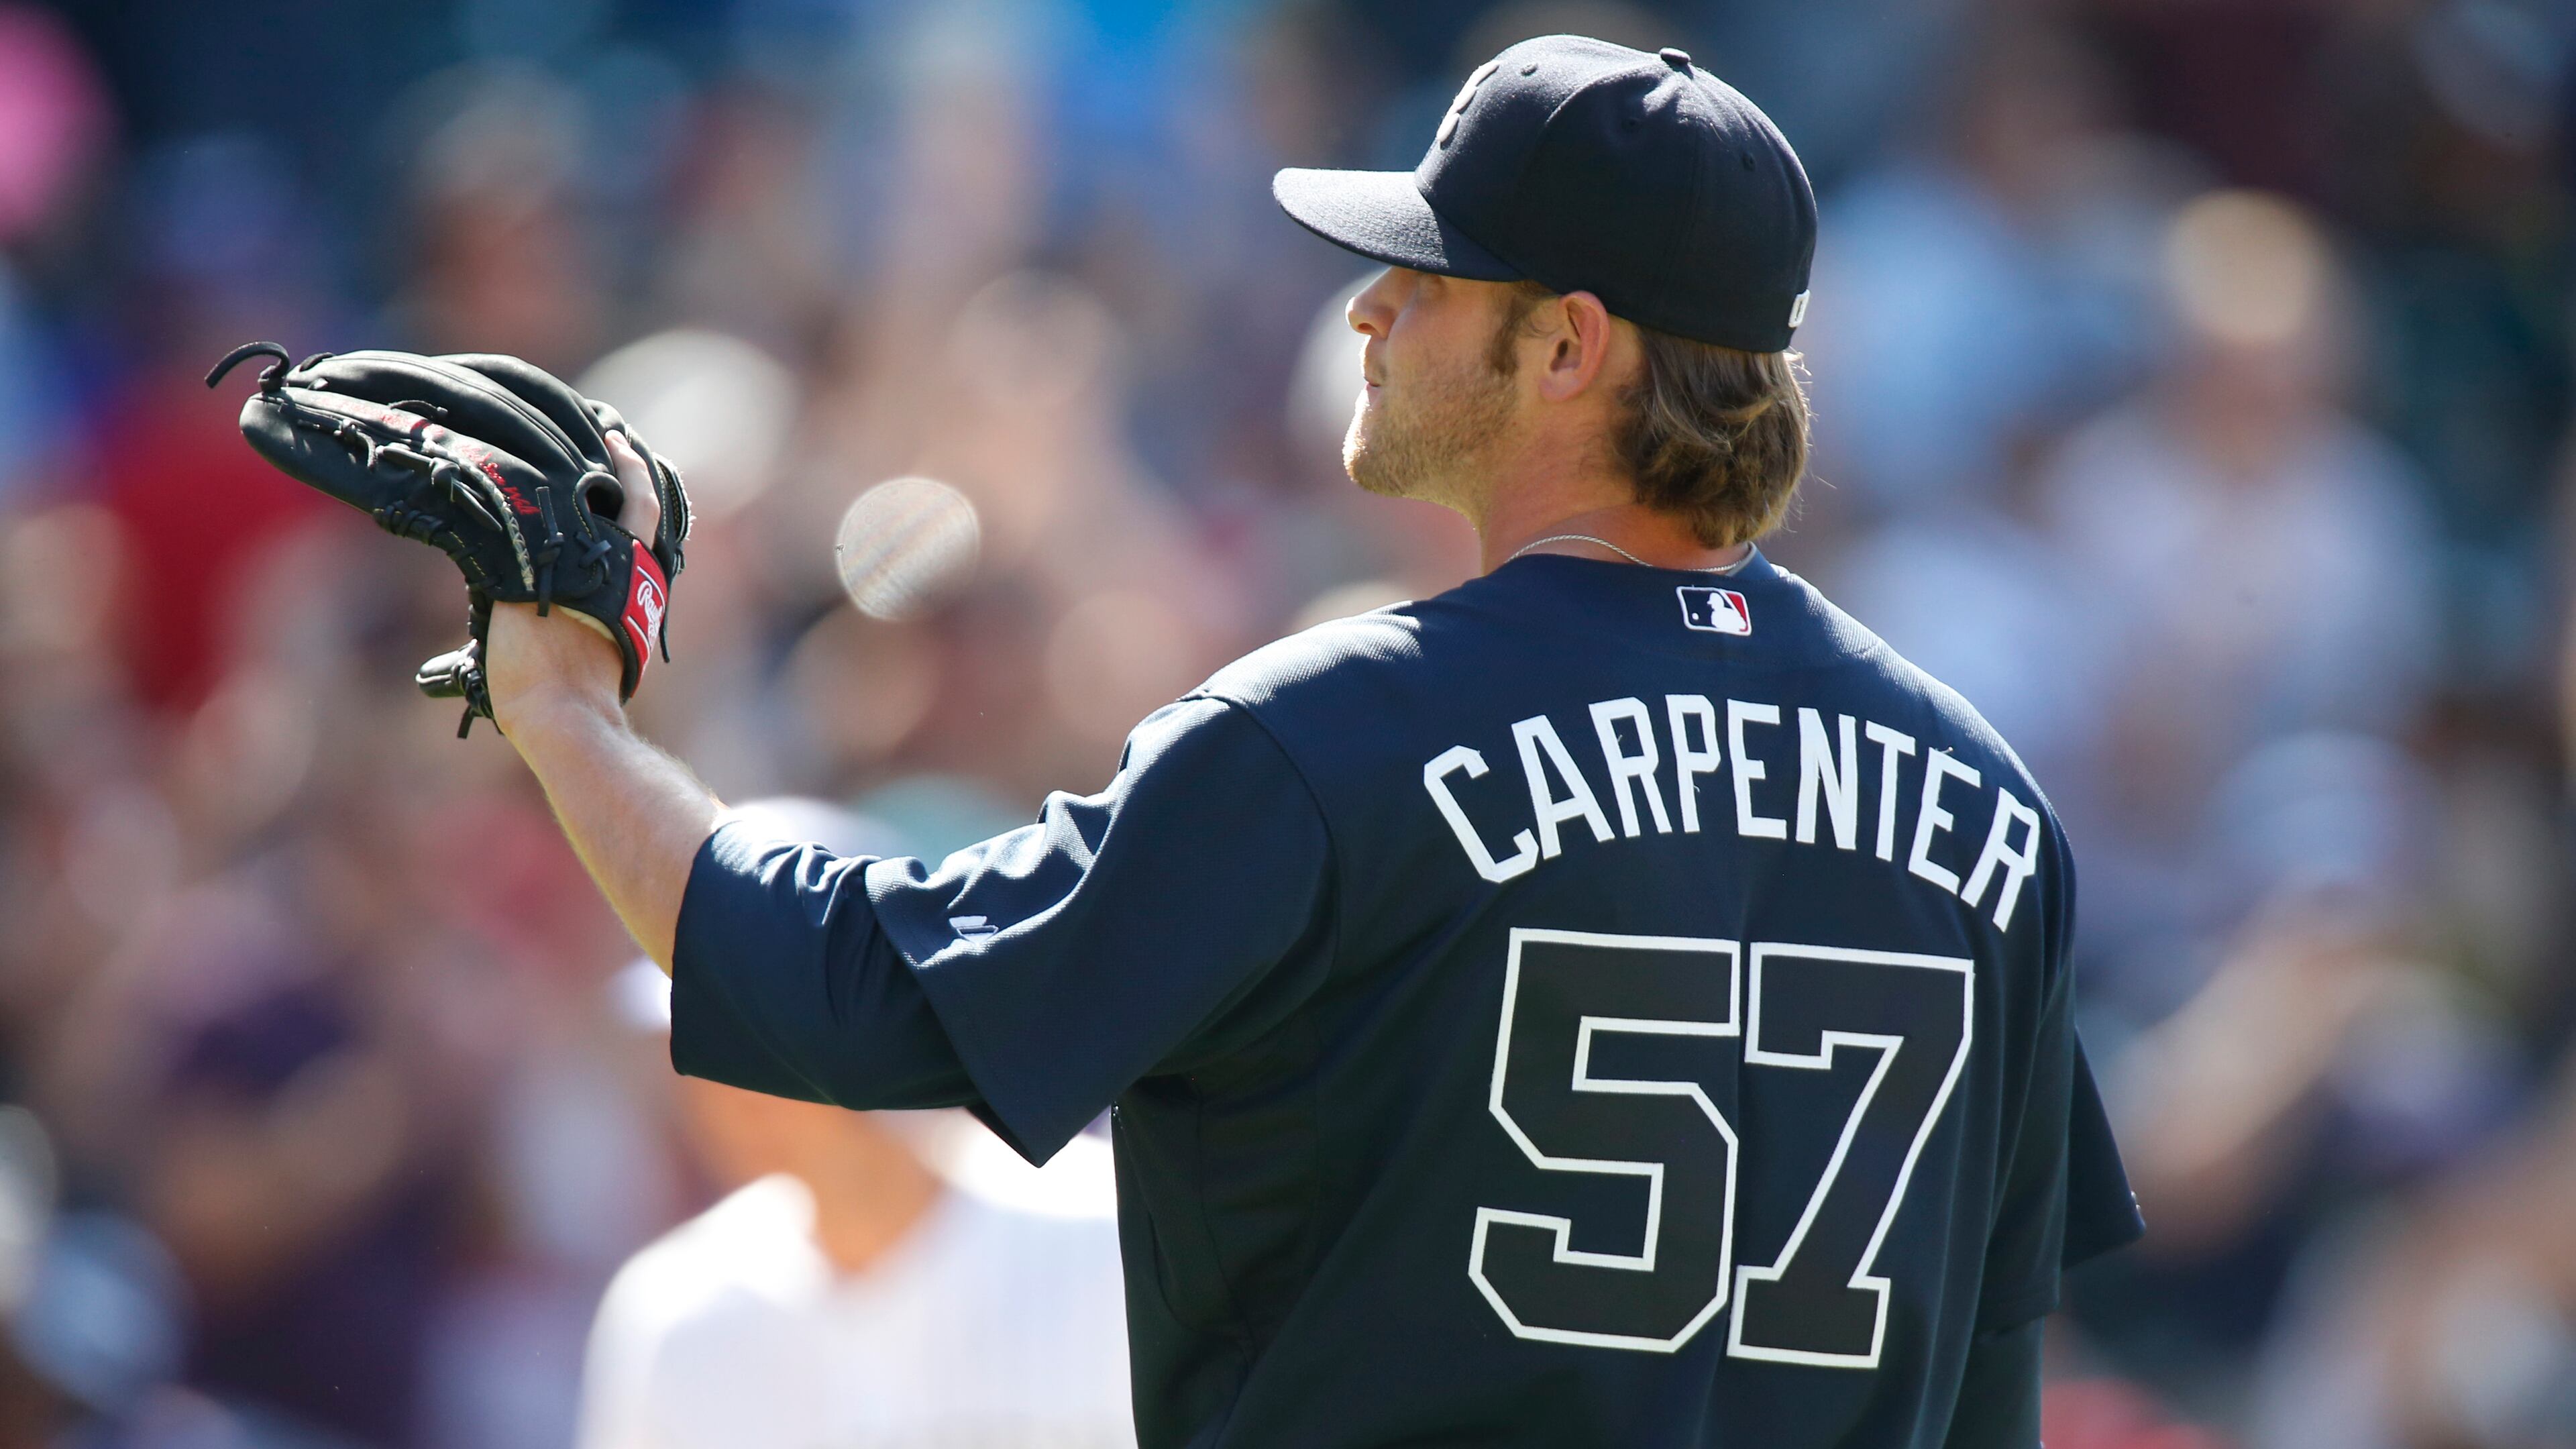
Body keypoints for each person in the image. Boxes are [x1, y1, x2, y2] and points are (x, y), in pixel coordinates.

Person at [476, 34, 2141, 1448]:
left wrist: (566, 715)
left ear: (1568, 345)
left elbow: (838, 996)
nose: (1367, 312)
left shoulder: (1328, 738)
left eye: (1425, 276)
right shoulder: (1988, 807)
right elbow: (1989, 1375)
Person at [578, 884, 1133, 1449]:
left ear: (878, 1017)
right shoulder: (673, 1309)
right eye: (697, 1043)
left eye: (760, 1030)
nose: (725, 1087)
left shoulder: (1115, 1232)